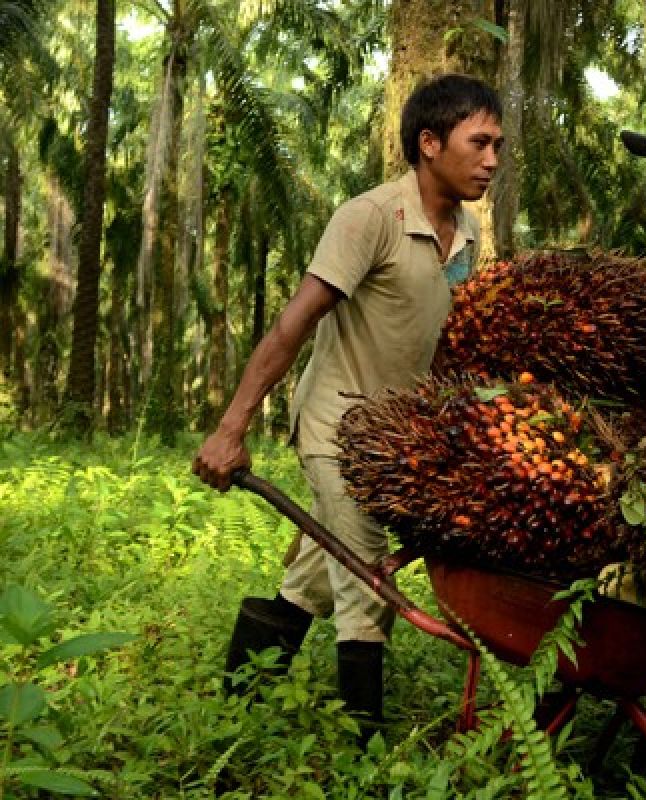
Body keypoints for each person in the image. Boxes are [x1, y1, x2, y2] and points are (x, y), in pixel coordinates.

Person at [192, 74, 504, 727]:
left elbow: (443, 346)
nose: (492, 160)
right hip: (338, 423)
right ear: (428, 142)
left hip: (393, 436)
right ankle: (362, 755)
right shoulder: (370, 219)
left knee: (311, 573)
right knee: (367, 579)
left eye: (497, 145)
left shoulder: (468, 234)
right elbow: (292, 324)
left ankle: (237, 710)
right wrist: (230, 429)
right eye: (478, 143)